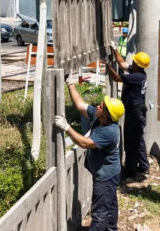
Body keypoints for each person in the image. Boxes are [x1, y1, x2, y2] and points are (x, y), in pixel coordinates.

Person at [54, 82, 125, 231]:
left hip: (106, 177)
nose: (98, 106)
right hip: (110, 173)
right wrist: (71, 83)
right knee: (110, 206)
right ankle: (112, 228)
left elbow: (84, 143)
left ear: (107, 114)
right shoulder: (100, 118)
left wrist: (67, 127)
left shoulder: (109, 131)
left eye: (101, 107)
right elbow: (80, 105)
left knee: (99, 214)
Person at [107, 43, 151, 181]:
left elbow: (116, 78)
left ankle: (131, 171)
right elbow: (122, 64)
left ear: (138, 64)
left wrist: (107, 65)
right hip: (138, 111)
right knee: (138, 140)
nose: (131, 62)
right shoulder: (139, 72)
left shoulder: (136, 77)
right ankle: (144, 166)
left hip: (135, 113)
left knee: (131, 141)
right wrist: (115, 49)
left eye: (134, 61)